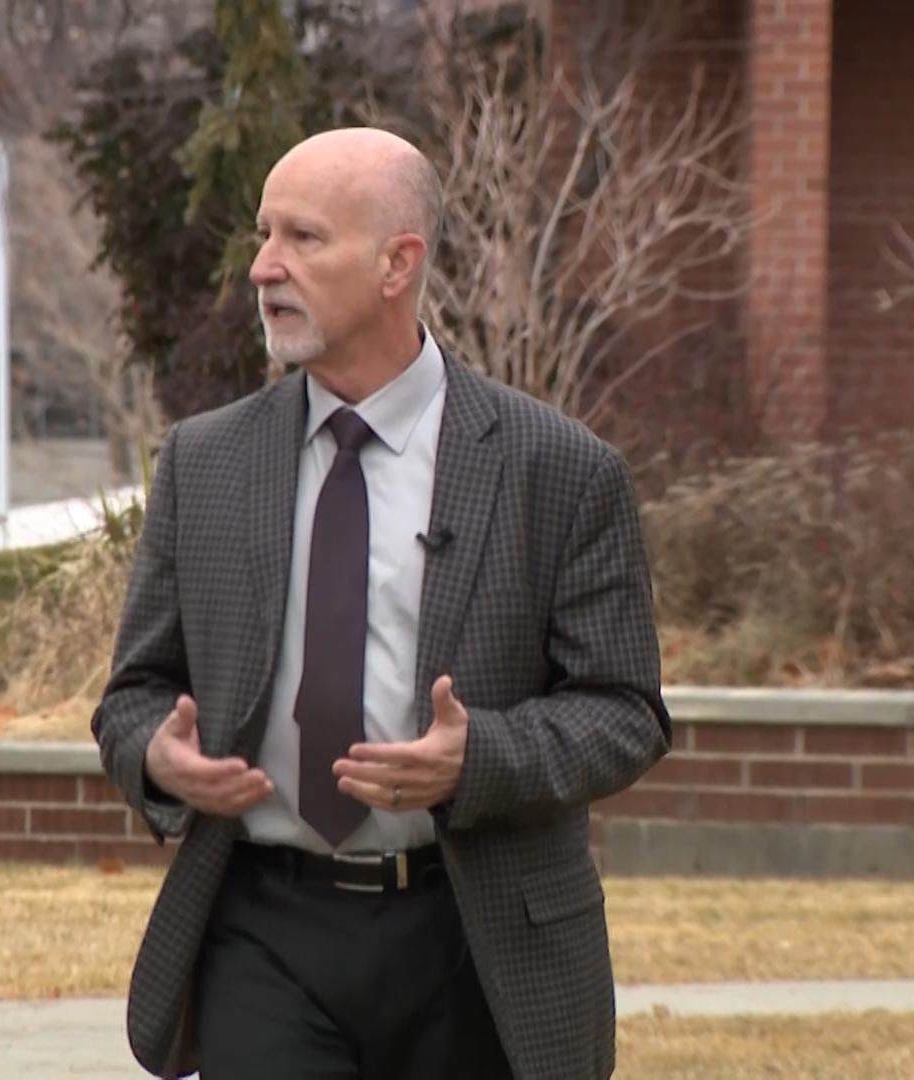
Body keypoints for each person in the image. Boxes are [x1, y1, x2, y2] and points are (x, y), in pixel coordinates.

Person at [91, 127, 670, 1079]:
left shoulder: (557, 469)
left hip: (475, 933)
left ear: (399, 263)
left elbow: (625, 713)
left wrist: (476, 757)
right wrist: (158, 756)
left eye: (304, 239)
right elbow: (136, 693)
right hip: (263, 925)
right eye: (263, 235)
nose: (263, 268)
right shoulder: (206, 461)